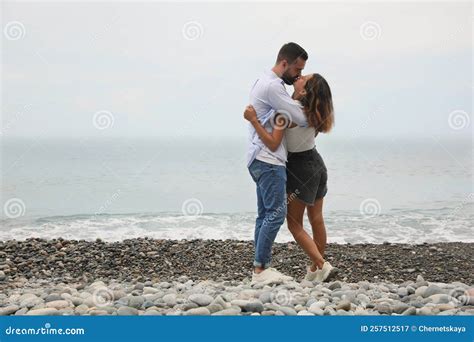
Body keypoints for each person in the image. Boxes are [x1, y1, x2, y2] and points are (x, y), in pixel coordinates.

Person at [245, 73, 337, 282]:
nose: (299, 76)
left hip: (299, 168)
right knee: (316, 220)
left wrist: (254, 121)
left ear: (305, 91)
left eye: (304, 77)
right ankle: (314, 271)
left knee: (294, 224)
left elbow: (273, 143)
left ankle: (323, 265)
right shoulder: (314, 113)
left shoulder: (287, 113)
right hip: (316, 164)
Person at [246, 42, 310, 284]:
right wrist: (312, 108)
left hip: (257, 157)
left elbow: (284, 116)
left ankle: (260, 267)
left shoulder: (263, 81)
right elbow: (299, 117)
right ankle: (261, 270)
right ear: (285, 63)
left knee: (264, 214)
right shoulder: (274, 87)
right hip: (269, 160)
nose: (298, 76)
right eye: (297, 70)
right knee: (276, 212)